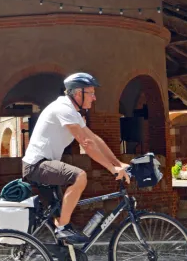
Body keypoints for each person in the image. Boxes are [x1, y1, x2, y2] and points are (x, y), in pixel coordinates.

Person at [22, 72, 131, 243]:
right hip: (37, 165)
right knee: (79, 177)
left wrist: (118, 163)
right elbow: (86, 143)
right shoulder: (64, 108)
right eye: (91, 93)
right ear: (78, 93)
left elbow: (95, 139)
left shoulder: (72, 111)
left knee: (59, 218)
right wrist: (112, 169)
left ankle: (64, 260)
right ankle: (63, 229)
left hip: (45, 164)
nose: (94, 98)